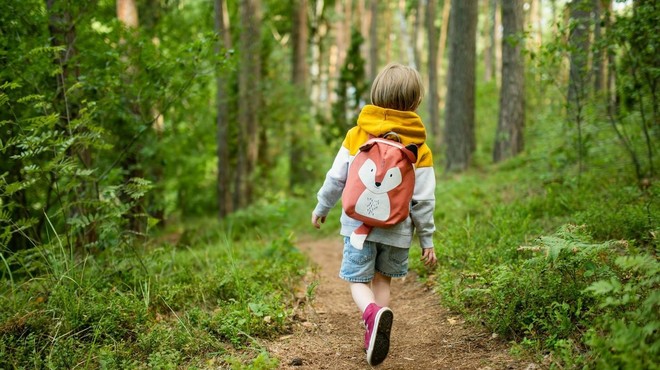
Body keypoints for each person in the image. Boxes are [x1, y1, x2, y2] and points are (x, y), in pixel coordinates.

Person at [311, 63, 437, 366]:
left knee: (357, 280)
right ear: (416, 102)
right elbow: (423, 199)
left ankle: (372, 315)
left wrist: (322, 206)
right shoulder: (419, 147)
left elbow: (336, 177)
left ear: (376, 95)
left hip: (358, 227)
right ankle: (377, 325)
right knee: (383, 281)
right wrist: (427, 239)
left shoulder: (357, 134)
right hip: (397, 229)